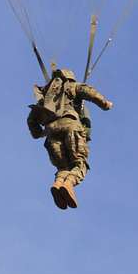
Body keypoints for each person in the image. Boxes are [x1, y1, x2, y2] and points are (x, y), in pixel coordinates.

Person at [27, 67, 113, 210]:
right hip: (70, 125)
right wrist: (106, 104)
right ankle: (68, 184)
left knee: (63, 167)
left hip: (51, 132)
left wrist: (38, 133)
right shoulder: (72, 87)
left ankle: (58, 183)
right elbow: (91, 93)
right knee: (80, 164)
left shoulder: (45, 99)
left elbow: (31, 120)